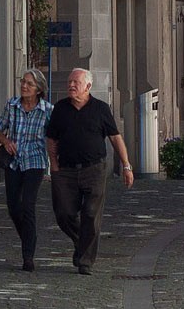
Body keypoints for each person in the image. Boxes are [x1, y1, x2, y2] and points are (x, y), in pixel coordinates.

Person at [44, 68, 133, 274]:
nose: (71, 85)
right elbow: (51, 139)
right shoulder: (60, 108)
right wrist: (54, 166)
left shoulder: (100, 109)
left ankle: (85, 261)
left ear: (88, 86)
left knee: (91, 215)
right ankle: (82, 242)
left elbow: (115, 137)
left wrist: (126, 165)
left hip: (94, 169)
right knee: (64, 213)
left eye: (76, 82)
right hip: (65, 170)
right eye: (69, 82)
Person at [0, 69, 54, 271]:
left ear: (38, 89)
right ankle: (28, 236)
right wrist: (6, 141)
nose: (24, 86)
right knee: (13, 206)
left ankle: (28, 255)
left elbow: (53, 138)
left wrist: (54, 163)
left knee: (27, 204)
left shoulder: (47, 111)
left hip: (35, 162)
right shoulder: (12, 106)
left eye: (29, 84)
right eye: (22, 82)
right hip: (14, 162)